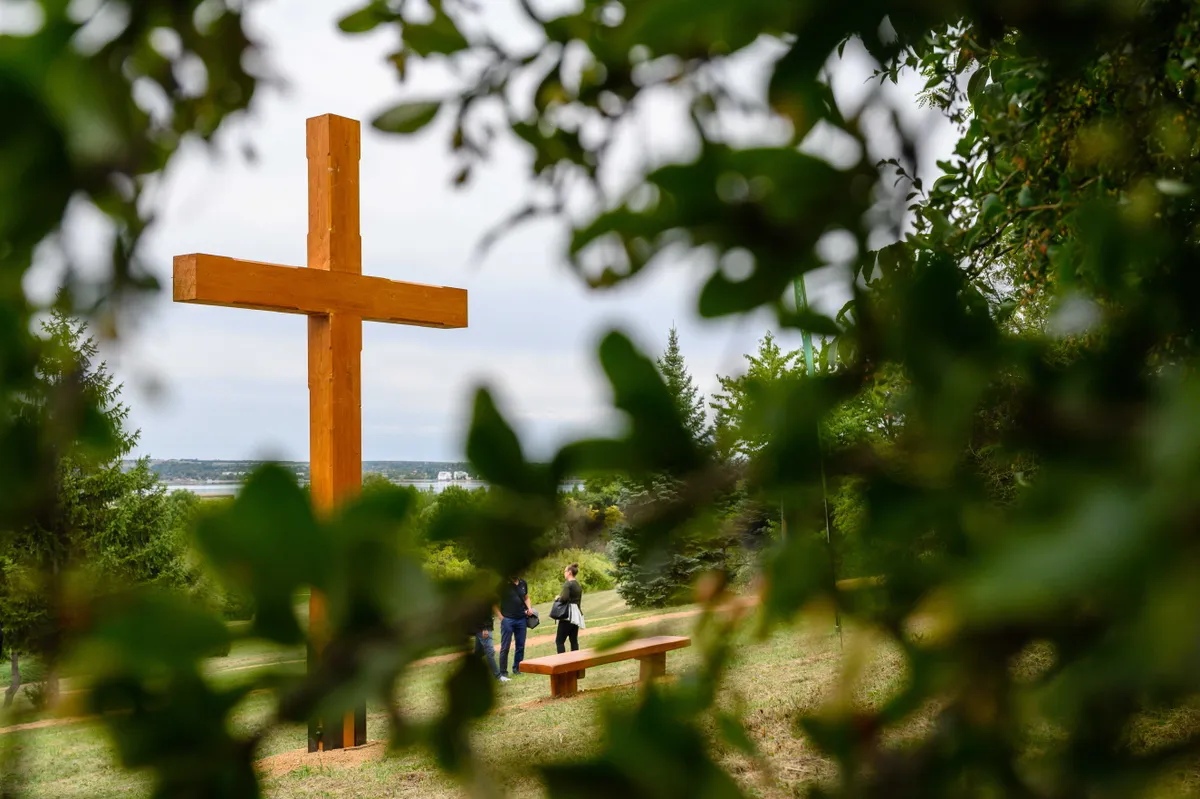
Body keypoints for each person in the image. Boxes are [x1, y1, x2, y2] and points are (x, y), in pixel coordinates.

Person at [496, 574, 532, 677]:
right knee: (505, 646)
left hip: (521, 619)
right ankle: (503, 672)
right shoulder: (502, 584)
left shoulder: (523, 583)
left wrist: (529, 608)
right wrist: (501, 617)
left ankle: (517, 668)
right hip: (508, 619)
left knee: (520, 645)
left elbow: (526, 597)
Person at [471, 604, 507, 683]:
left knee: (478, 652)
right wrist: (484, 628)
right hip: (483, 628)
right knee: (490, 651)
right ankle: (498, 676)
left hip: (482, 627)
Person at [555, 562, 586, 654]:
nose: (564, 573)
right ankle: (576, 664)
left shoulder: (567, 584)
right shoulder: (577, 584)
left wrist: (558, 598)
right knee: (573, 640)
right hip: (576, 615)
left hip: (567, 615)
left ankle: (563, 664)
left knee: (559, 641)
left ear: (569, 572)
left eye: (565, 571)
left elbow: (564, 598)